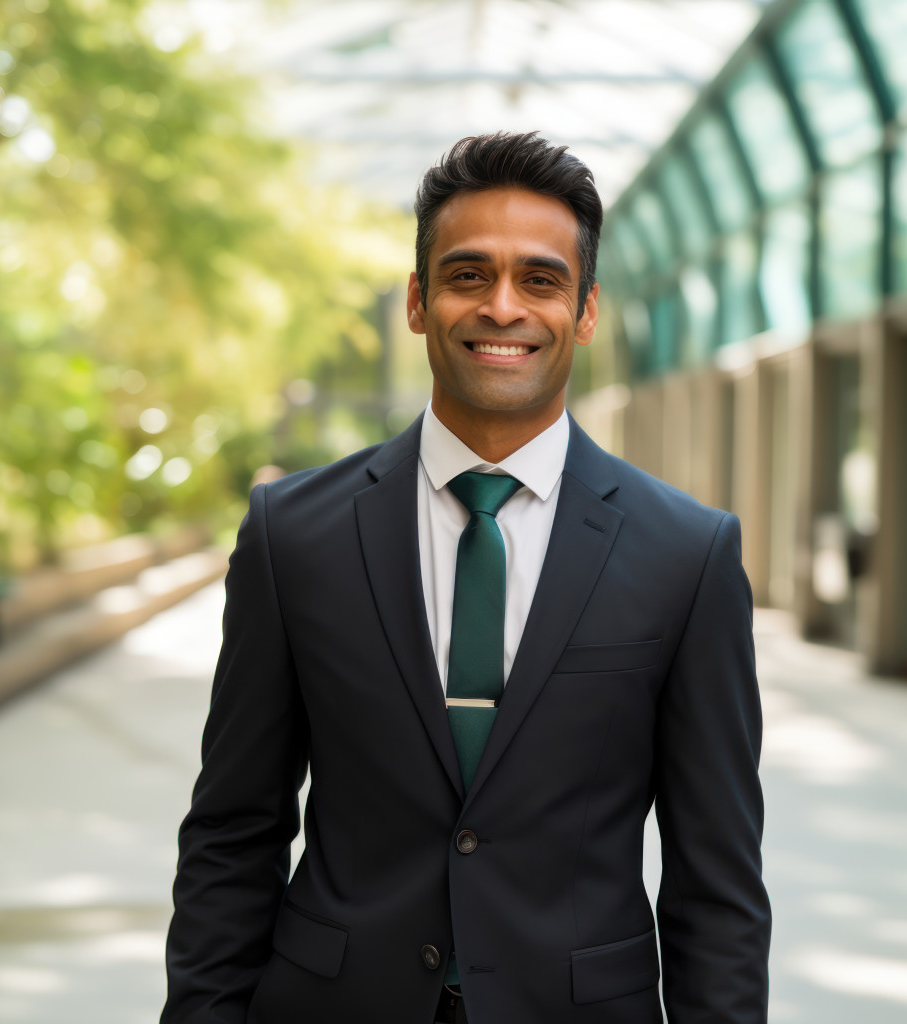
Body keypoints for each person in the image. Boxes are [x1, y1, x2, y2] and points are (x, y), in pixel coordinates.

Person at [161, 131, 771, 1024]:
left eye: (541, 280)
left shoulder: (688, 553)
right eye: (468, 274)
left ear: (586, 312)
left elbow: (717, 883)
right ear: (418, 301)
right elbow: (233, 831)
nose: (502, 307)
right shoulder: (291, 535)